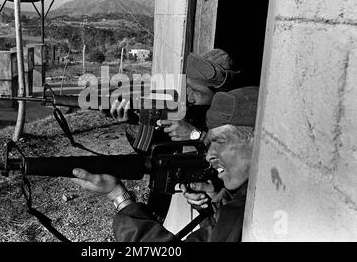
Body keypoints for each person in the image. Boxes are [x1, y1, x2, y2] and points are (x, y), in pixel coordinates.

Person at [72, 87, 259, 242]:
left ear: (257, 139)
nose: (208, 155)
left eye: (220, 141)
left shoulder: (247, 210)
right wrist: (216, 201)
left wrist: (119, 197)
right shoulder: (251, 198)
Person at [111, 49, 241, 142]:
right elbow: (153, 155)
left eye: (197, 93)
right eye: (187, 89)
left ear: (221, 96)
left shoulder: (239, 124)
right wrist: (135, 122)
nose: (188, 98)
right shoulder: (189, 116)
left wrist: (197, 135)